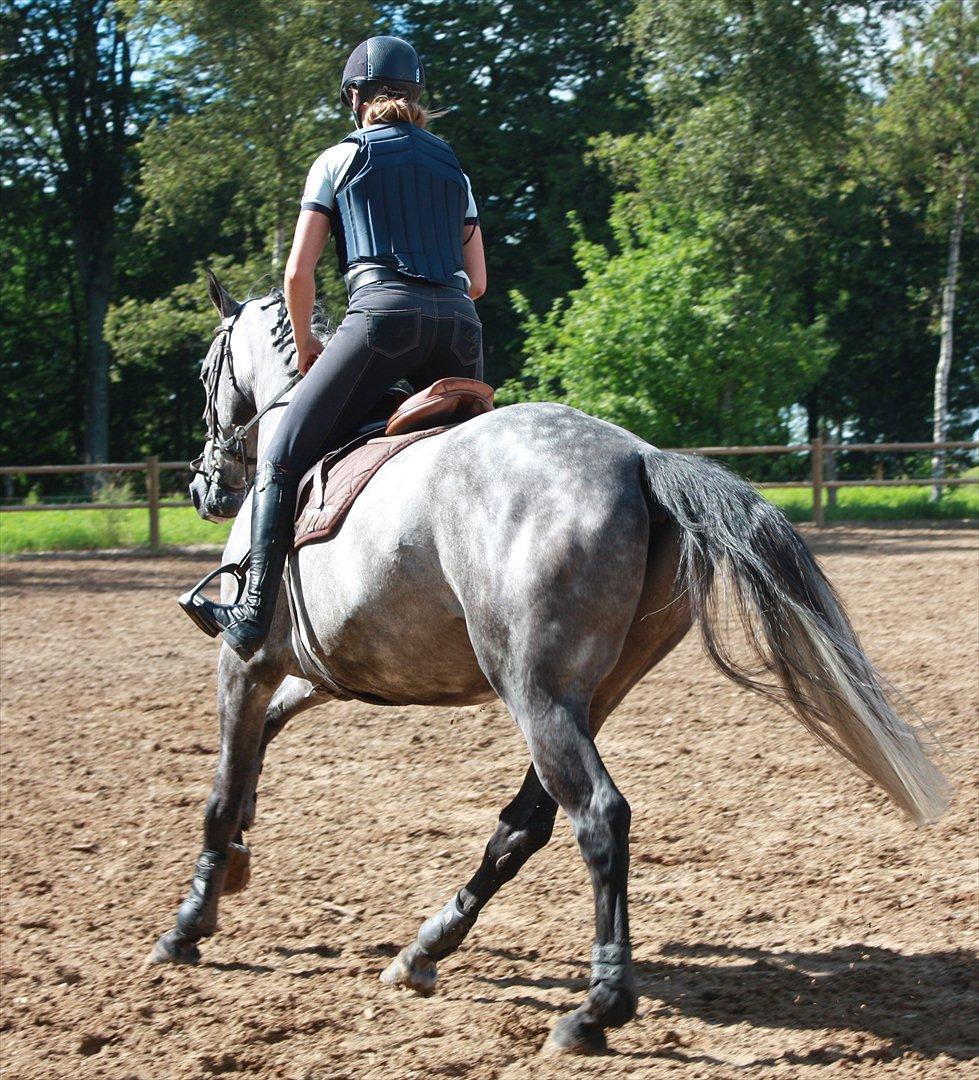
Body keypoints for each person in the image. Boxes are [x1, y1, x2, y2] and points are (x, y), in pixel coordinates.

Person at [180, 35, 487, 661]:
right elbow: (477, 282)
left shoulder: (337, 160)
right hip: (459, 331)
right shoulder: (453, 167)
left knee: (282, 452)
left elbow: (298, 276)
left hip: (380, 323)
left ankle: (250, 609)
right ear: (417, 97)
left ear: (355, 99)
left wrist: (310, 344)